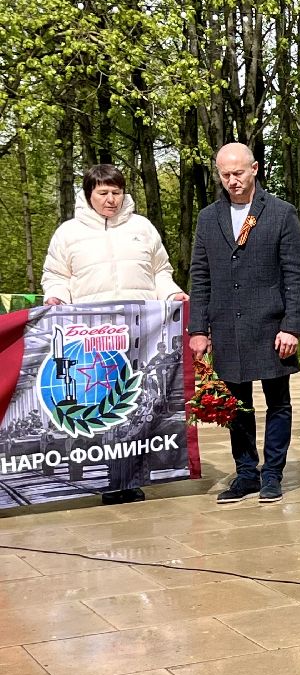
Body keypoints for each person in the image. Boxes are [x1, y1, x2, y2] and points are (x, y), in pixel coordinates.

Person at [42, 163, 188, 503]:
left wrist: (172, 294)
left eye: (116, 192)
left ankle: (130, 477)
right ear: (89, 193)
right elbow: (56, 276)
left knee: (135, 409)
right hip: (93, 339)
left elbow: (160, 272)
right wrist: (57, 297)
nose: (110, 199)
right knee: (104, 407)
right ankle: (111, 480)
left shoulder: (143, 228)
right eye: (103, 193)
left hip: (142, 335)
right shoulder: (68, 233)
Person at [187, 143, 300, 504]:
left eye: (238, 173)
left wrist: (292, 325)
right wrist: (198, 329)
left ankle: (272, 474)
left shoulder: (281, 213)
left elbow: (296, 275)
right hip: (227, 327)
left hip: (272, 327)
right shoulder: (209, 218)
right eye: (225, 174)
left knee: (278, 403)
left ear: (255, 168)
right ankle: (245, 474)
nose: (232, 180)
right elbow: (200, 274)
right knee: (236, 406)